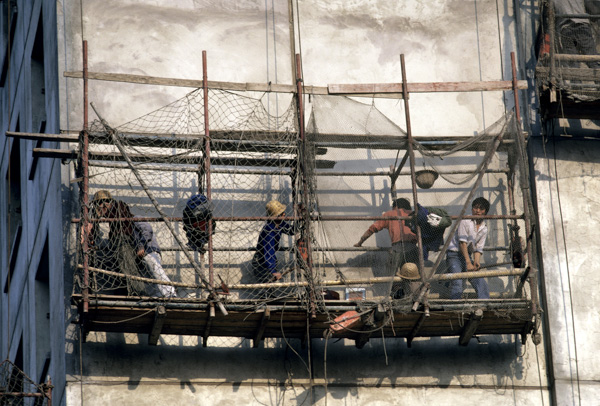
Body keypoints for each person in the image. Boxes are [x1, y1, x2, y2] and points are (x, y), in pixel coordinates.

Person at [354, 198, 420, 299]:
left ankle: (397, 296)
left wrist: (360, 242)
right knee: (413, 274)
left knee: (392, 275)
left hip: (397, 249)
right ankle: (416, 298)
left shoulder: (390, 214)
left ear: (395, 206)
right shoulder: (414, 214)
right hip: (413, 248)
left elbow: (372, 229)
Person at [117, 202, 177, 298]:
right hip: (143, 254)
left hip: (149, 250)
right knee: (150, 277)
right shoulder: (128, 226)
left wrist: (141, 246)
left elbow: (147, 230)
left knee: (157, 272)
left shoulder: (135, 218)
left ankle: (170, 294)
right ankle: (158, 296)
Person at [445, 197, 491, 300]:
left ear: (485, 211)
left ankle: (485, 303)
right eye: (475, 207)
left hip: (466, 255)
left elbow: (478, 248)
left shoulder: (484, 228)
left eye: (481, 208)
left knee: (479, 280)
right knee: (457, 280)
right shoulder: (465, 220)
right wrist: (468, 263)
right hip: (454, 254)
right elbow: (462, 243)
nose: (477, 211)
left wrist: (476, 263)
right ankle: (456, 307)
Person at [252, 200, 295, 283]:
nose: (284, 214)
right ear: (276, 216)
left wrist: (299, 221)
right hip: (262, 261)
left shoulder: (280, 224)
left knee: (269, 287)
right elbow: (269, 251)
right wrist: (273, 271)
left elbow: (291, 231)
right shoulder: (269, 229)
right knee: (265, 286)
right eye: (282, 213)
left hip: (269, 260)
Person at [554, 0, 600, 69]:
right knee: (593, 61)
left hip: (565, 29)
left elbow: (548, 14)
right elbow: (593, 11)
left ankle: (575, 80)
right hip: (582, 26)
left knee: (573, 63)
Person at [182, 191, 215, 259]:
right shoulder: (191, 219)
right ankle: (198, 242)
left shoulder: (207, 219)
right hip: (195, 228)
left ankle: (199, 241)